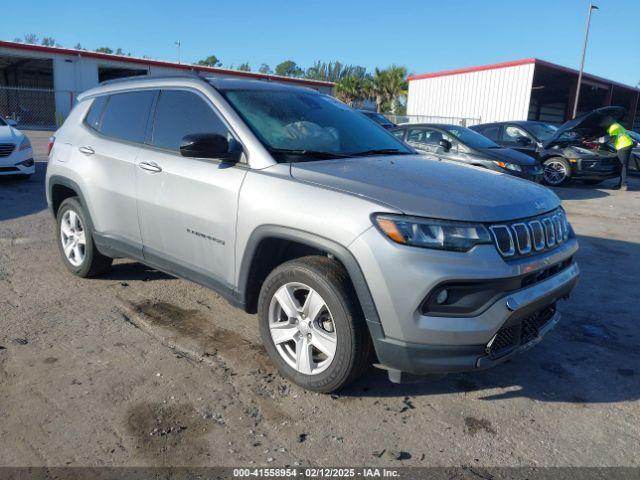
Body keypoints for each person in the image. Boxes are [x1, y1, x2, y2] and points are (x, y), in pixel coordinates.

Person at [607, 120, 634, 191]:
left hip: (623, 146)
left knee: (623, 165)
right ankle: (621, 184)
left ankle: (623, 185)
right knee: (624, 165)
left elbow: (612, 140)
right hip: (628, 144)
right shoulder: (617, 124)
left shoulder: (613, 127)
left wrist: (602, 144)